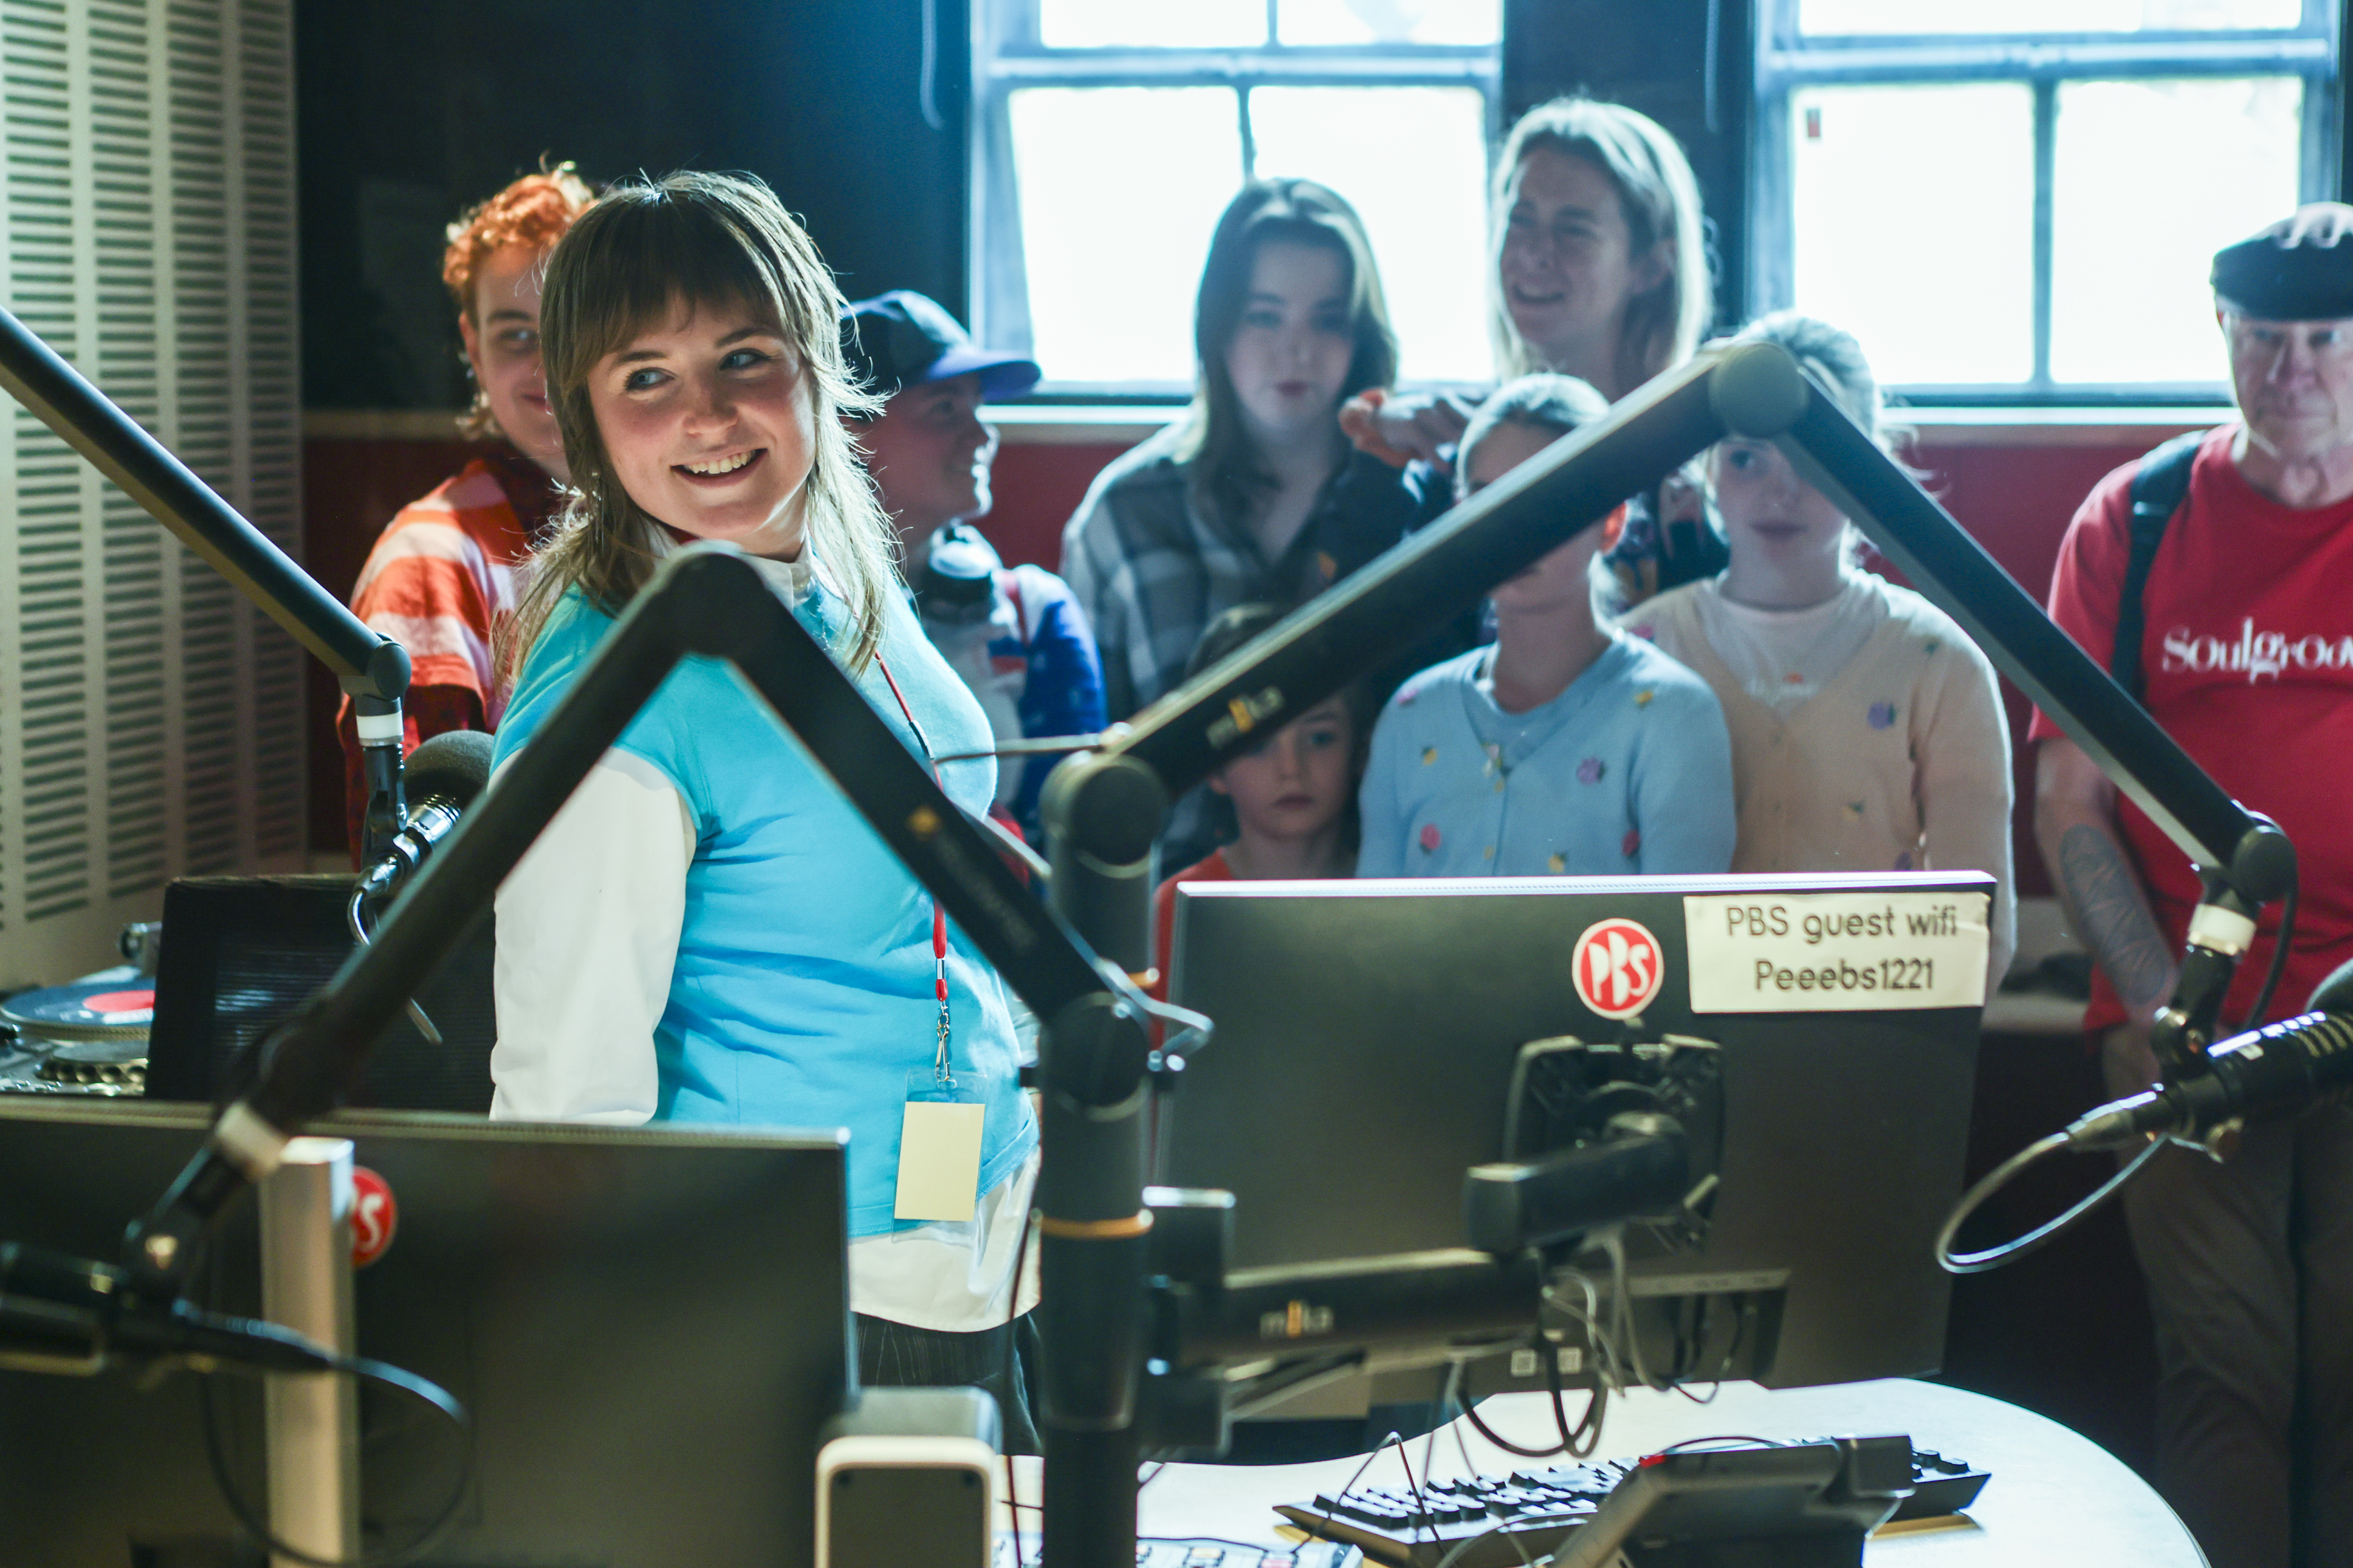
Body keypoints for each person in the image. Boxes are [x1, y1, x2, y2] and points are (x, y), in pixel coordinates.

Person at [488, 173, 1039, 1443]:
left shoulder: (821, 559)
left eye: (745, 357)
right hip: (809, 1301)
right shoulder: (618, 701)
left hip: (981, 1253)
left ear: (815, 364)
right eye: (645, 377)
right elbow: (568, 1110)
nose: (708, 415)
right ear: (585, 415)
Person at [2030, 216, 2353, 1568]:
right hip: (2187, 1026)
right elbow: (2069, 800)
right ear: (2219, 335)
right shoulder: (2136, 520)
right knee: (2223, 1380)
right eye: (2261, 339)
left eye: (2326, 340)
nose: (2292, 371)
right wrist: (2167, 1013)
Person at [1060, 177, 1443, 872]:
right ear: (1218, 326)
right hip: (1166, 909)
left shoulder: (1413, 504)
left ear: (1360, 339)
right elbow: (1086, 760)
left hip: (1372, 895)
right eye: (1265, 316)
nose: (1294, 350)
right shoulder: (1125, 514)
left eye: (1327, 320)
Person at [1629, 313, 2016, 985]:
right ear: (1708, 467)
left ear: (1865, 463)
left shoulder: (1937, 660)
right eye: (1747, 458)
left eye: (1811, 459)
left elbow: (1979, 935)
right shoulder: (1641, 648)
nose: (1780, 491)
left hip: (1870, 1050)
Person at [1341, 97, 1722, 604]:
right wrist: (1382, 454)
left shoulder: (1703, 472)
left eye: (1574, 229)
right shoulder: (1464, 449)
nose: (1534, 252)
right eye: (1520, 220)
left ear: (1651, 269)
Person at [1356, 375, 1734, 878]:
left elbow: (1684, 935)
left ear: (1611, 522)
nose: (1516, 532)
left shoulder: (1673, 714)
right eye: (1490, 500)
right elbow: (1374, 935)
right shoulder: (1412, 714)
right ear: (1459, 515)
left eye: (1549, 499)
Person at [337, 166, 593, 857]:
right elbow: (421, 868)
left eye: (573, 325)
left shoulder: (685, 519)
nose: (549, 365)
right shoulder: (431, 556)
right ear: (472, 348)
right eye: (515, 335)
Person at [841, 289, 1104, 843]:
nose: (983, 434)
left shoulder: (1034, 614)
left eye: (978, 407)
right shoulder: (800, 609)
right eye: (944, 409)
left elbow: (1076, 836)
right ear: (849, 428)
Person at [1149, 602, 1366, 996]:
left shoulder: (1388, 890)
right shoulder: (1176, 909)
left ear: (1359, 750)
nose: (1291, 768)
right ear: (1214, 769)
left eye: (1319, 738)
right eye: (1258, 745)